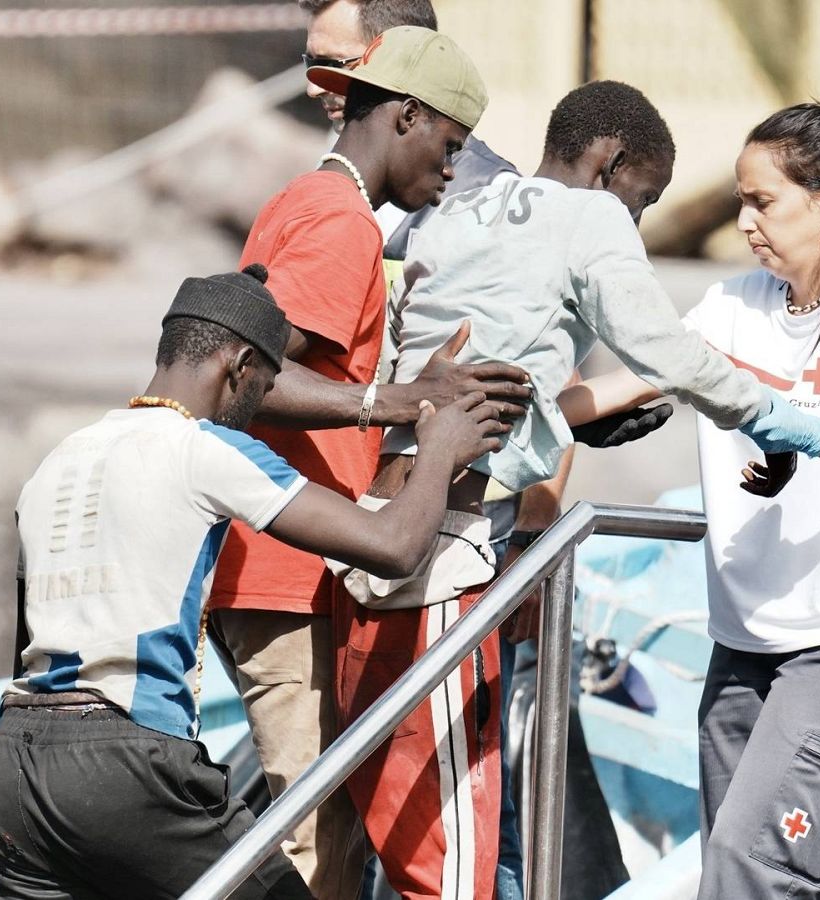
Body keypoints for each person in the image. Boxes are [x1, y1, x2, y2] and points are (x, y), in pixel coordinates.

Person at [327, 78, 820, 900]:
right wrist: (777, 419)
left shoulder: (459, 205)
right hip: (446, 551)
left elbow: (470, 356)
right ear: (610, 161)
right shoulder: (589, 217)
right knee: (454, 859)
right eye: (641, 200)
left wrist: (569, 422)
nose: (633, 223)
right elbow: (661, 345)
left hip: (374, 526)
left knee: (401, 830)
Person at [0, 264, 508, 900]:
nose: (258, 410)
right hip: (125, 763)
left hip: (15, 762)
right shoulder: (200, 448)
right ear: (238, 367)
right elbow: (391, 548)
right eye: (260, 391)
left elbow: (22, 643)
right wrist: (439, 451)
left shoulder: (59, 459)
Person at [596, 95, 820, 898]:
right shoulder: (735, 305)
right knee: (732, 865)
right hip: (746, 639)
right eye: (741, 200)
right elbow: (640, 378)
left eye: (763, 202)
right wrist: (508, 416)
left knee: (752, 875)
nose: (745, 221)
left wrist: (809, 433)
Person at [202, 25, 504, 900]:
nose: (450, 172)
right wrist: (392, 402)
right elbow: (243, 370)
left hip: (276, 562)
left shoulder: (301, 199)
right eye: (449, 148)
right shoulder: (341, 224)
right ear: (405, 117)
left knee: (331, 829)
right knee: (317, 841)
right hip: (288, 571)